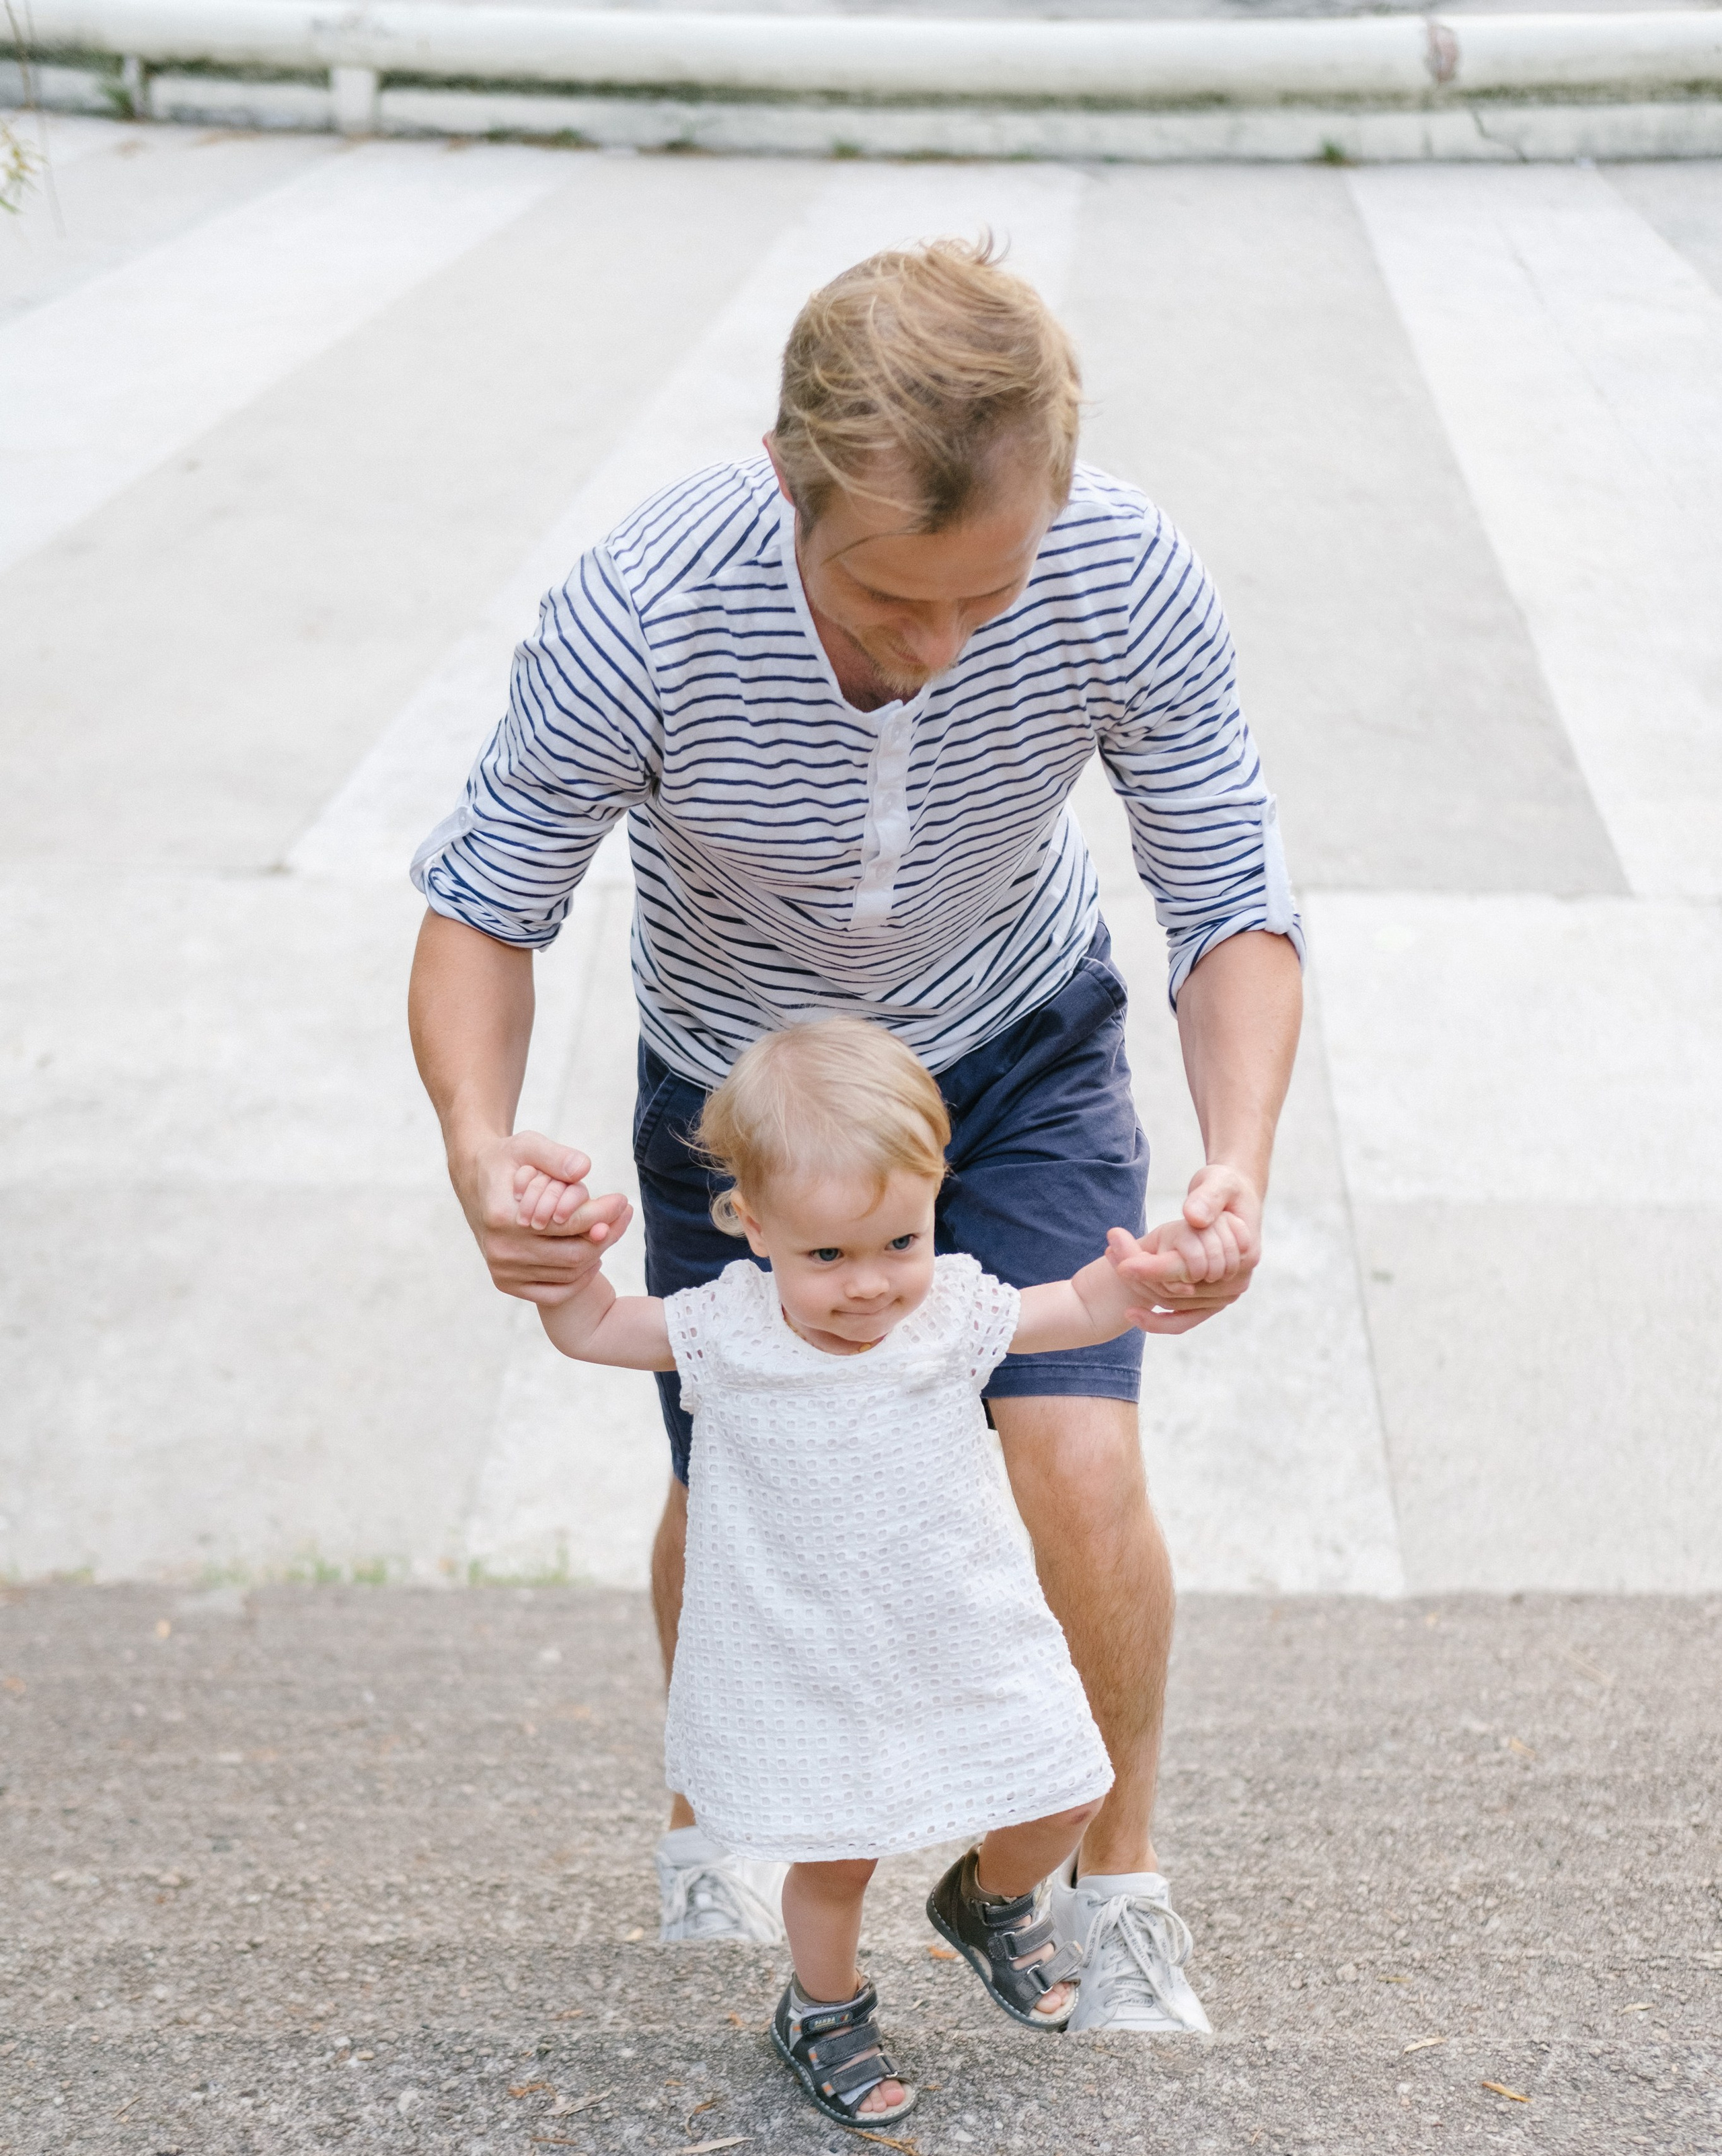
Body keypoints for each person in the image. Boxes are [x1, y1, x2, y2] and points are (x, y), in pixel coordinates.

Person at [407, 237, 1304, 2034]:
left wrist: (1239, 1158)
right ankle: (714, 1809)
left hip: (1019, 1043)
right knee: (742, 1472)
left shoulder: (1124, 571)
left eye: (988, 597)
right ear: (790, 481)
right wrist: (480, 1142)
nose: (939, 647)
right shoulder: (647, 609)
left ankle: (1105, 1882)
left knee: (1079, 1461)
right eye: (892, 601)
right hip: (741, 1096)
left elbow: (1226, 892)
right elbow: (490, 901)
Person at [526, 1015, 1229, 2123]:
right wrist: (564, 1265)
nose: (869, 1286)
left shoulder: (947, 1308)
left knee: (1071, 1786)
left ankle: (990, 1902)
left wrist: (1144, 1275)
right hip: (811, 1652)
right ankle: (824, 2005)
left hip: (957, 1625)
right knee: (837, 1858)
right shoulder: (728, 1328)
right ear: (752, 1227)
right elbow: (596, 1328)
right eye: (828, 1256)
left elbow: (1078, 1309)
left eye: (898, 1243)